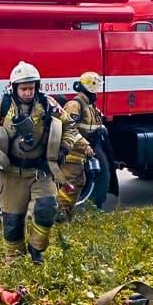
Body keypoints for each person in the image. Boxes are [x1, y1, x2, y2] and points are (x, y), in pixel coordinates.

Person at [0, 61, 77, 264]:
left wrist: (65, 146)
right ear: (14, 87)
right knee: (12, 223)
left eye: (32, 87)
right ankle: (15, 261)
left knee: (46, 209)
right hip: (11, 173)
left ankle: (36, 250)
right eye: (24, 88)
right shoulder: (1, 105)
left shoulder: (48, 105)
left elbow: (69, 126)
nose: (28, 92)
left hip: (41, 171)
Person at [57, 71, 105, 218]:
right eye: (95, 89)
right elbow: (69, 129)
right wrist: (86, 147)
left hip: (80, 157)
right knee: (69, 186)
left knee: (77, 183)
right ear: (89, 89)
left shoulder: (89, 107)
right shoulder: (74, 105)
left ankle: (66, 215)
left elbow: (92, 125)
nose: (97, 93)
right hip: (71, 155)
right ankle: (58, 216)